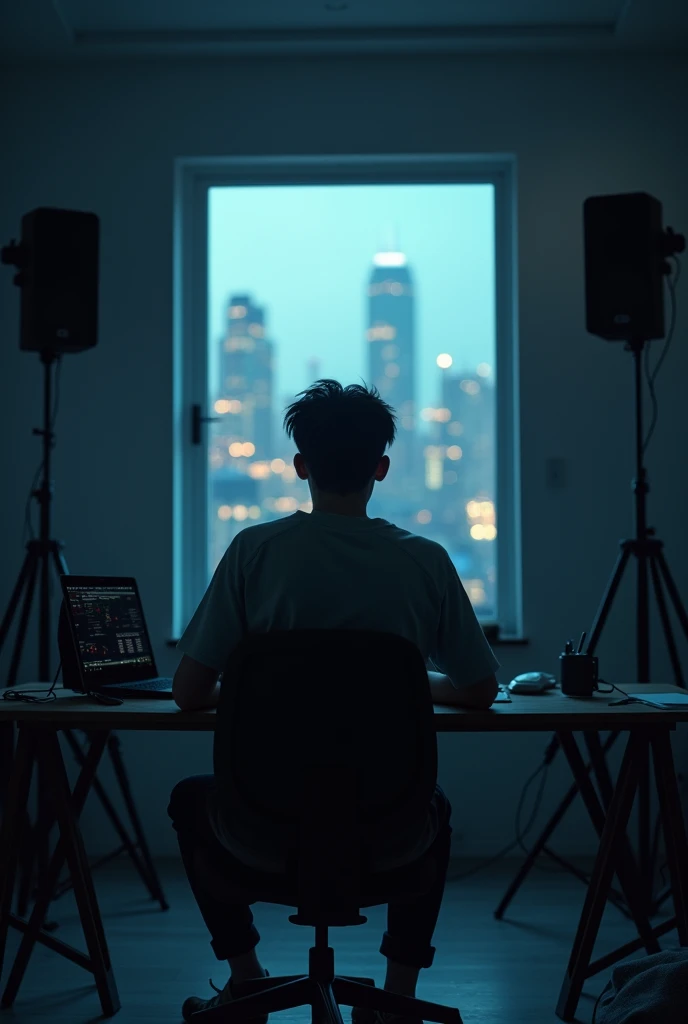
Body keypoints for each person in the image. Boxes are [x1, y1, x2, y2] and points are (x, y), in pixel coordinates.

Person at [168, 380, 499, 1023]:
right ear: (381, 466)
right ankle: (396, 997)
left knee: (190, 799)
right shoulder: (425, 560)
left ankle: (248, 981)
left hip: (261, 825)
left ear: (300, 467)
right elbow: (479, 691)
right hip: (388, 828)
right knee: (435, 805)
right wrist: (407, 683)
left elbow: (186, 694)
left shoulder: (254, 552)